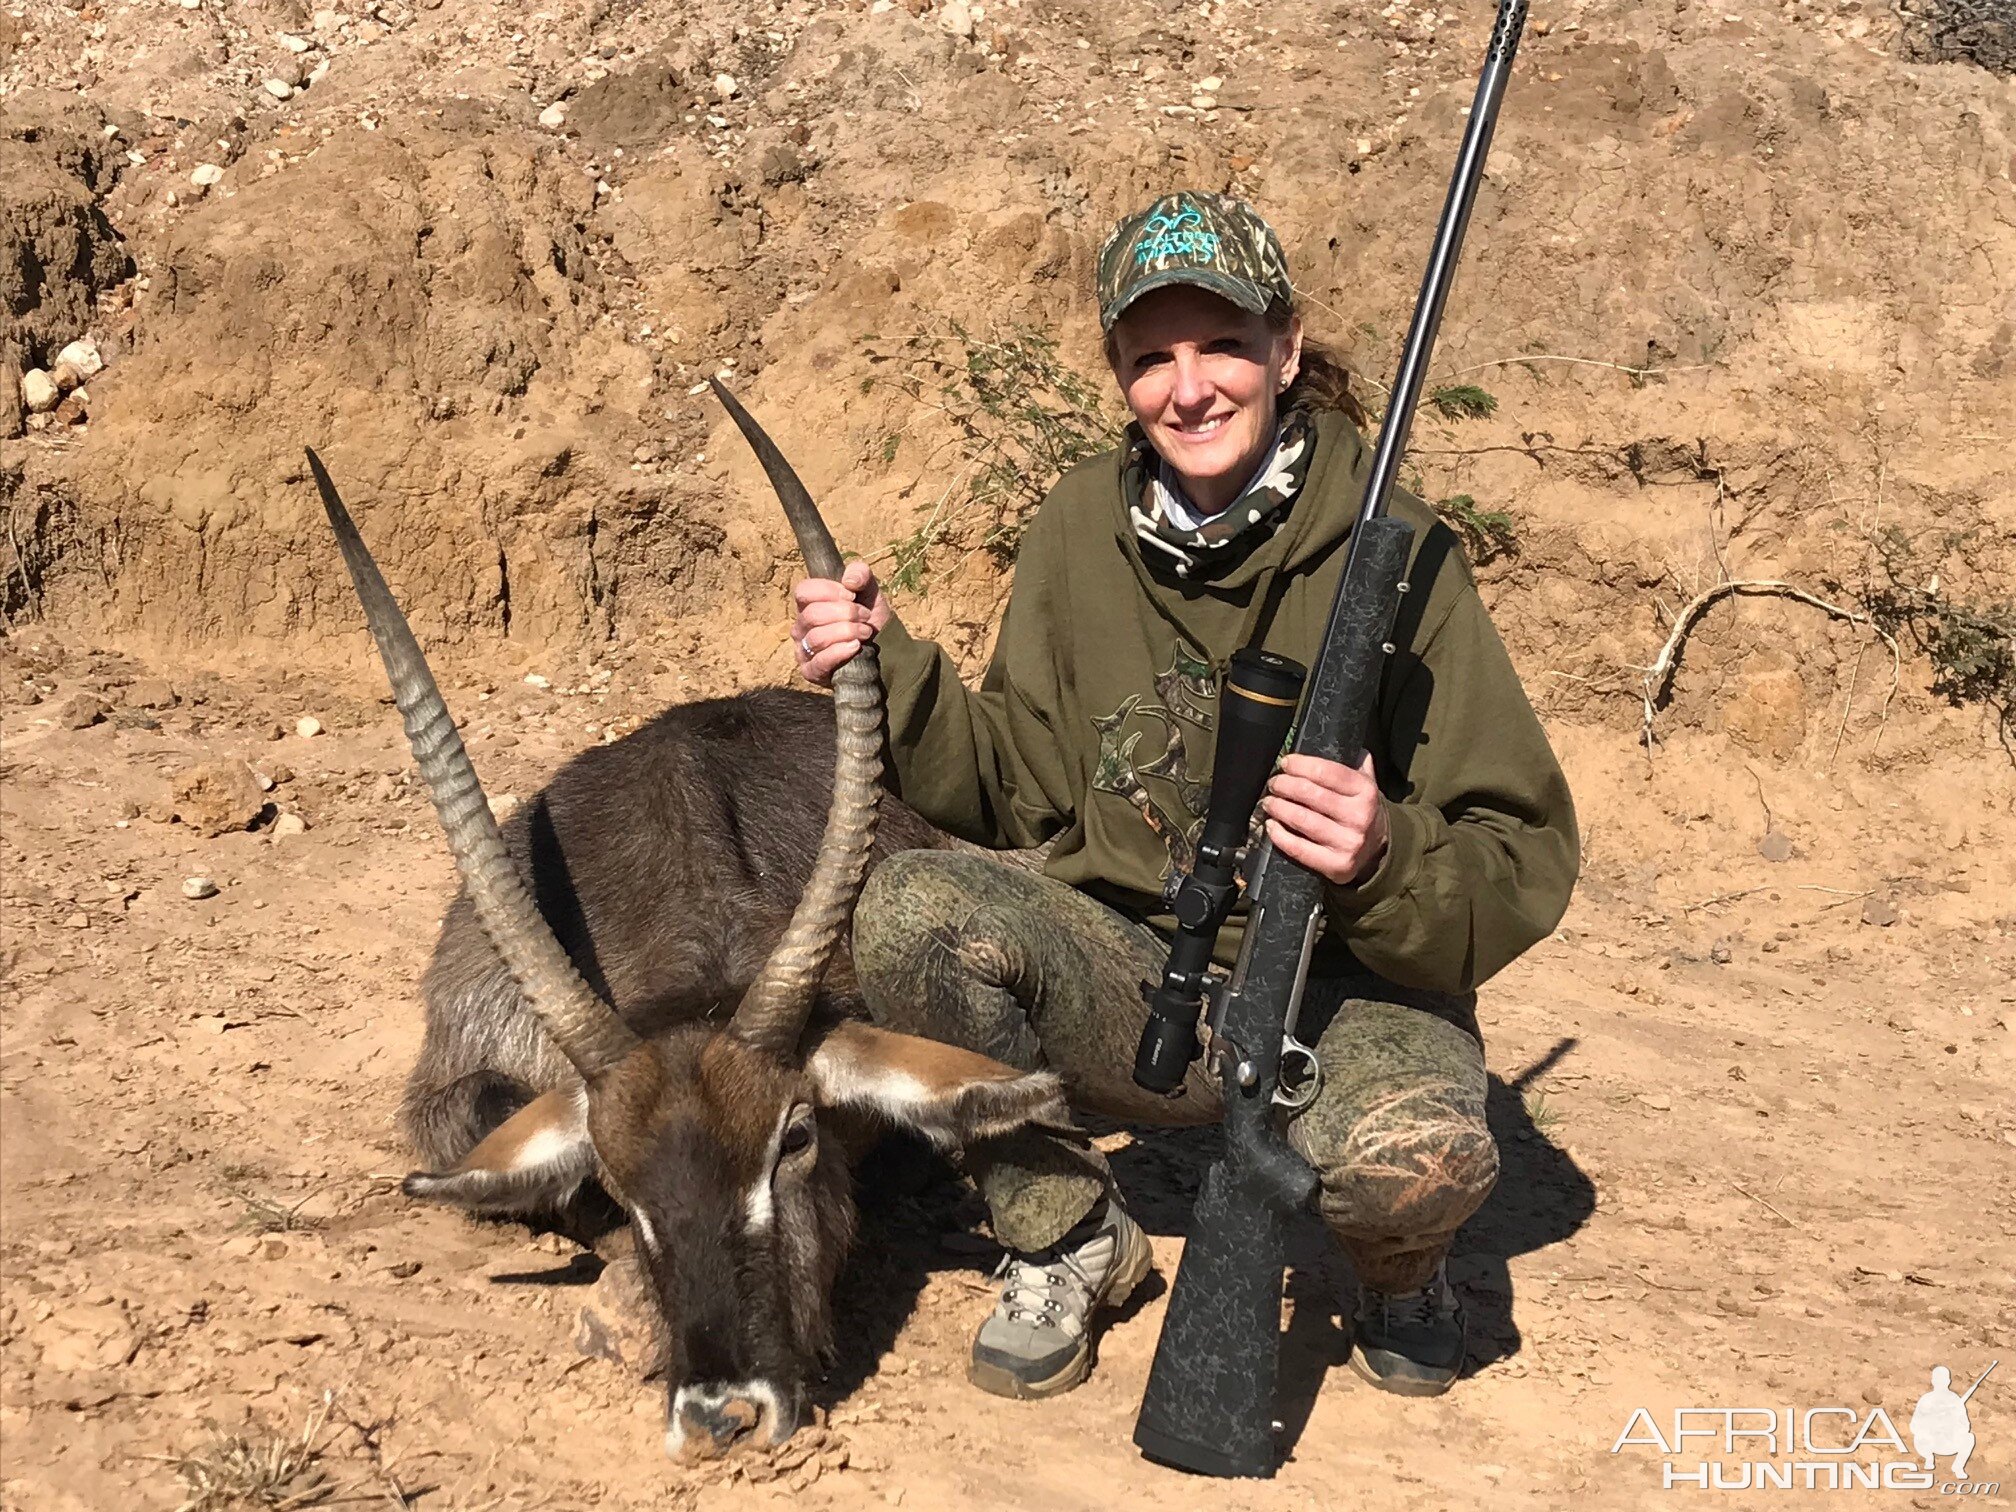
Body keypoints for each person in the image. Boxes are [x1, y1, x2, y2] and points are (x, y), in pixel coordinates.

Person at [790, 192, 1579, 1402]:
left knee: (1414, 1164)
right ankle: (1065, 1237)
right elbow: (1013, 784)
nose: (1189, 387)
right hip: (1139, 986)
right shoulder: (1074, 529)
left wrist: (1382, 853)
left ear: (1287, 351)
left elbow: (1521, 850)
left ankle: (1396, 1266)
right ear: (1118, 374)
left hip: (1343, 995)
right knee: (906, 909)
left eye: (1221, 345)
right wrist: (883, 665)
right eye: (1151, 357)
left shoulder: (1405, 551)